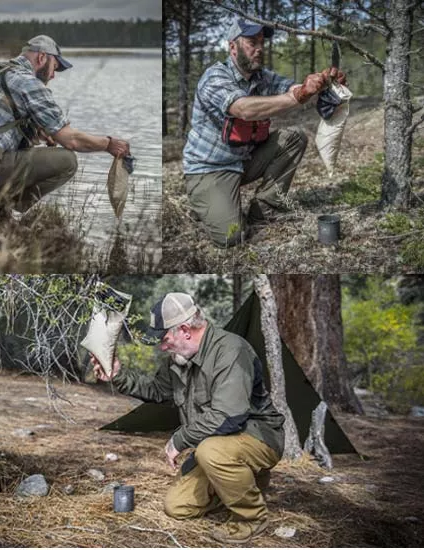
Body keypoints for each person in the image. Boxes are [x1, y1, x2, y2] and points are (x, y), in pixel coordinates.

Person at [91, 292, 285, 544]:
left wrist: (179, 440)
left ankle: (252, 518)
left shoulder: (231, 350)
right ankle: (243, 485)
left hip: (259, 438)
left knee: (210, 452)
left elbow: (229, 416)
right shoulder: (179, 358)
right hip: (218, 443)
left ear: (184, 330)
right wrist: (117, 374)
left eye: (165, 338)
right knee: (177, 506)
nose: (162, 346)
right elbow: (155, 389)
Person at [183, 19, 346, 247]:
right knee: (233, 236)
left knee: (294, 138)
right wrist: (296, 96)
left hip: (244, 162)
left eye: (261, 42)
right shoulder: (214, 78)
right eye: (251, 42)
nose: (259, 48)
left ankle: (262, 211)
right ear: (233, 47)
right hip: (210, 170)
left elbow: (292, 88)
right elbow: (244, 109)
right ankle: (206, 202)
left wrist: (320, 85)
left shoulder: (263, 77)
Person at [0, 35, 130, 215]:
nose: (53, 75)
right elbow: (72, 140)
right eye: (54, 67)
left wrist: (32, 133)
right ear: (42, 57)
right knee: (67, 161)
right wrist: (108, 144)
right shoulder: (29, 82)